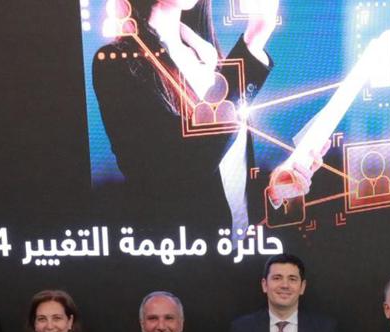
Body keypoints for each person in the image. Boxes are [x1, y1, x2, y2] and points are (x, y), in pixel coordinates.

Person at [92, 0, 279, 230]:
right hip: (184, 248)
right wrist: (252, 44)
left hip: (241, 246)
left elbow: (229, 174)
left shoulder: (210, 59)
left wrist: (274, 191)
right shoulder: (119, 62)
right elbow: (180, 172)